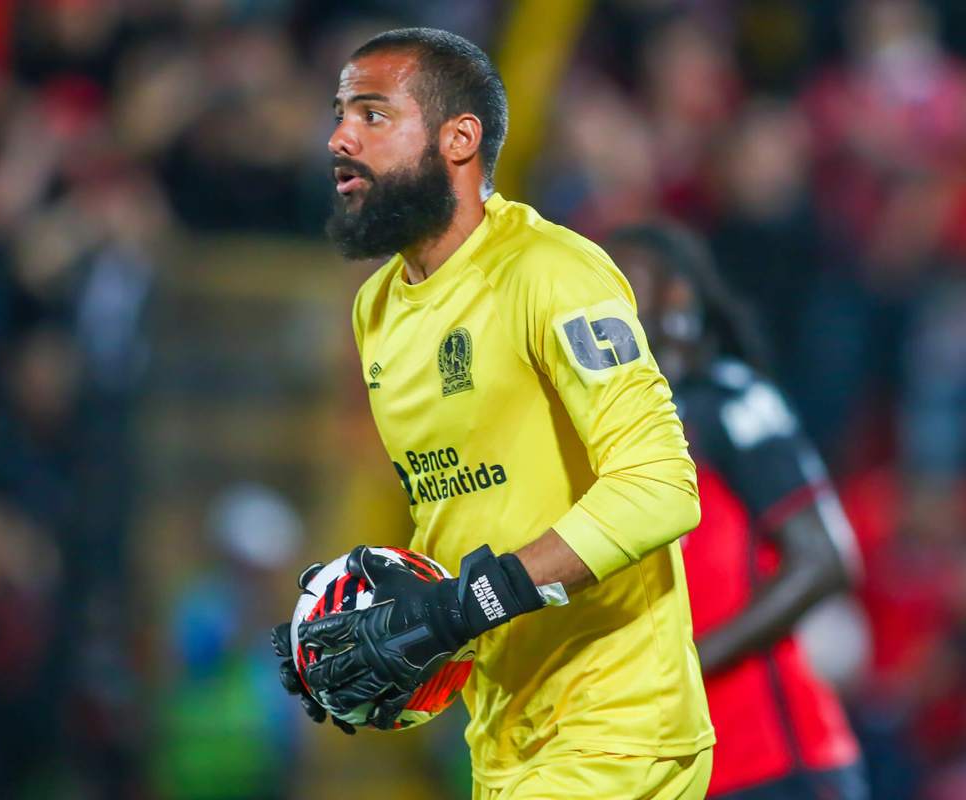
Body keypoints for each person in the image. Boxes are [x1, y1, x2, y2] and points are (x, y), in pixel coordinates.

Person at [270, 28, 714, 799]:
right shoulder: (377, 310)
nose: (341, 138)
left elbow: (661, 485)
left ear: (459, 139)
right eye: (340, 115)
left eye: (374, 116)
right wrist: (385, 616)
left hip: (618, 732)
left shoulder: (551, 273)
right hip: (503, 742)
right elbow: (470, 506)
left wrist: (466, 604)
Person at [606, 223, 869, 800]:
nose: (600, 303)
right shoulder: (611, 438)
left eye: (622, 283)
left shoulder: (732, 404)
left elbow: (825, 560)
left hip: (779, 764)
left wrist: (684, 670)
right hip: (679, 778)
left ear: (676, 297)